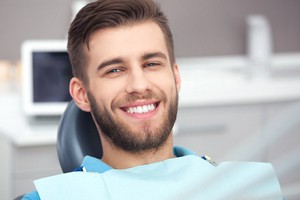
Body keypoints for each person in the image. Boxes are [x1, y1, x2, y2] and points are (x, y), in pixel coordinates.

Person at [23, 0, 283, 199]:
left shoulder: (249, 189)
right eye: (115, 70)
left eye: (151, 63)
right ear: (82, 94)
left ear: (175, 76)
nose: (139, 85)